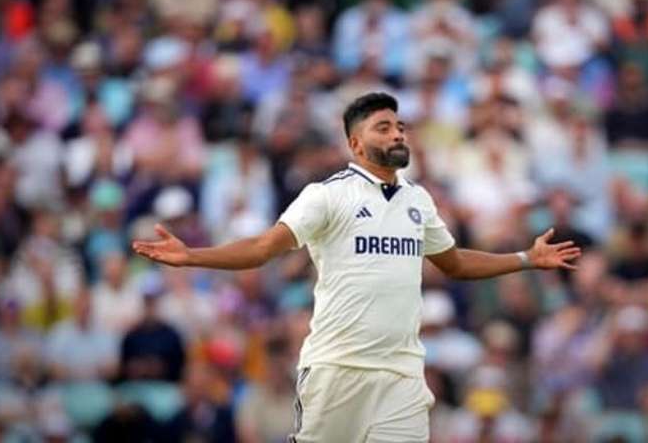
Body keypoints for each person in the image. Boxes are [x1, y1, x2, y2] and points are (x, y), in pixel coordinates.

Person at [132, 92, 582, 443]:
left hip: (401, 373)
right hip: (338, 368)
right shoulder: (328, 195)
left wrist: (525, 258)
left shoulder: (418, 200)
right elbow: (264, 248)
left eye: (400, 127)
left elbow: (456, 262)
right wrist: (192, 256)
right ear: (355, 143)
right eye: (383, 128)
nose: (397, 135)